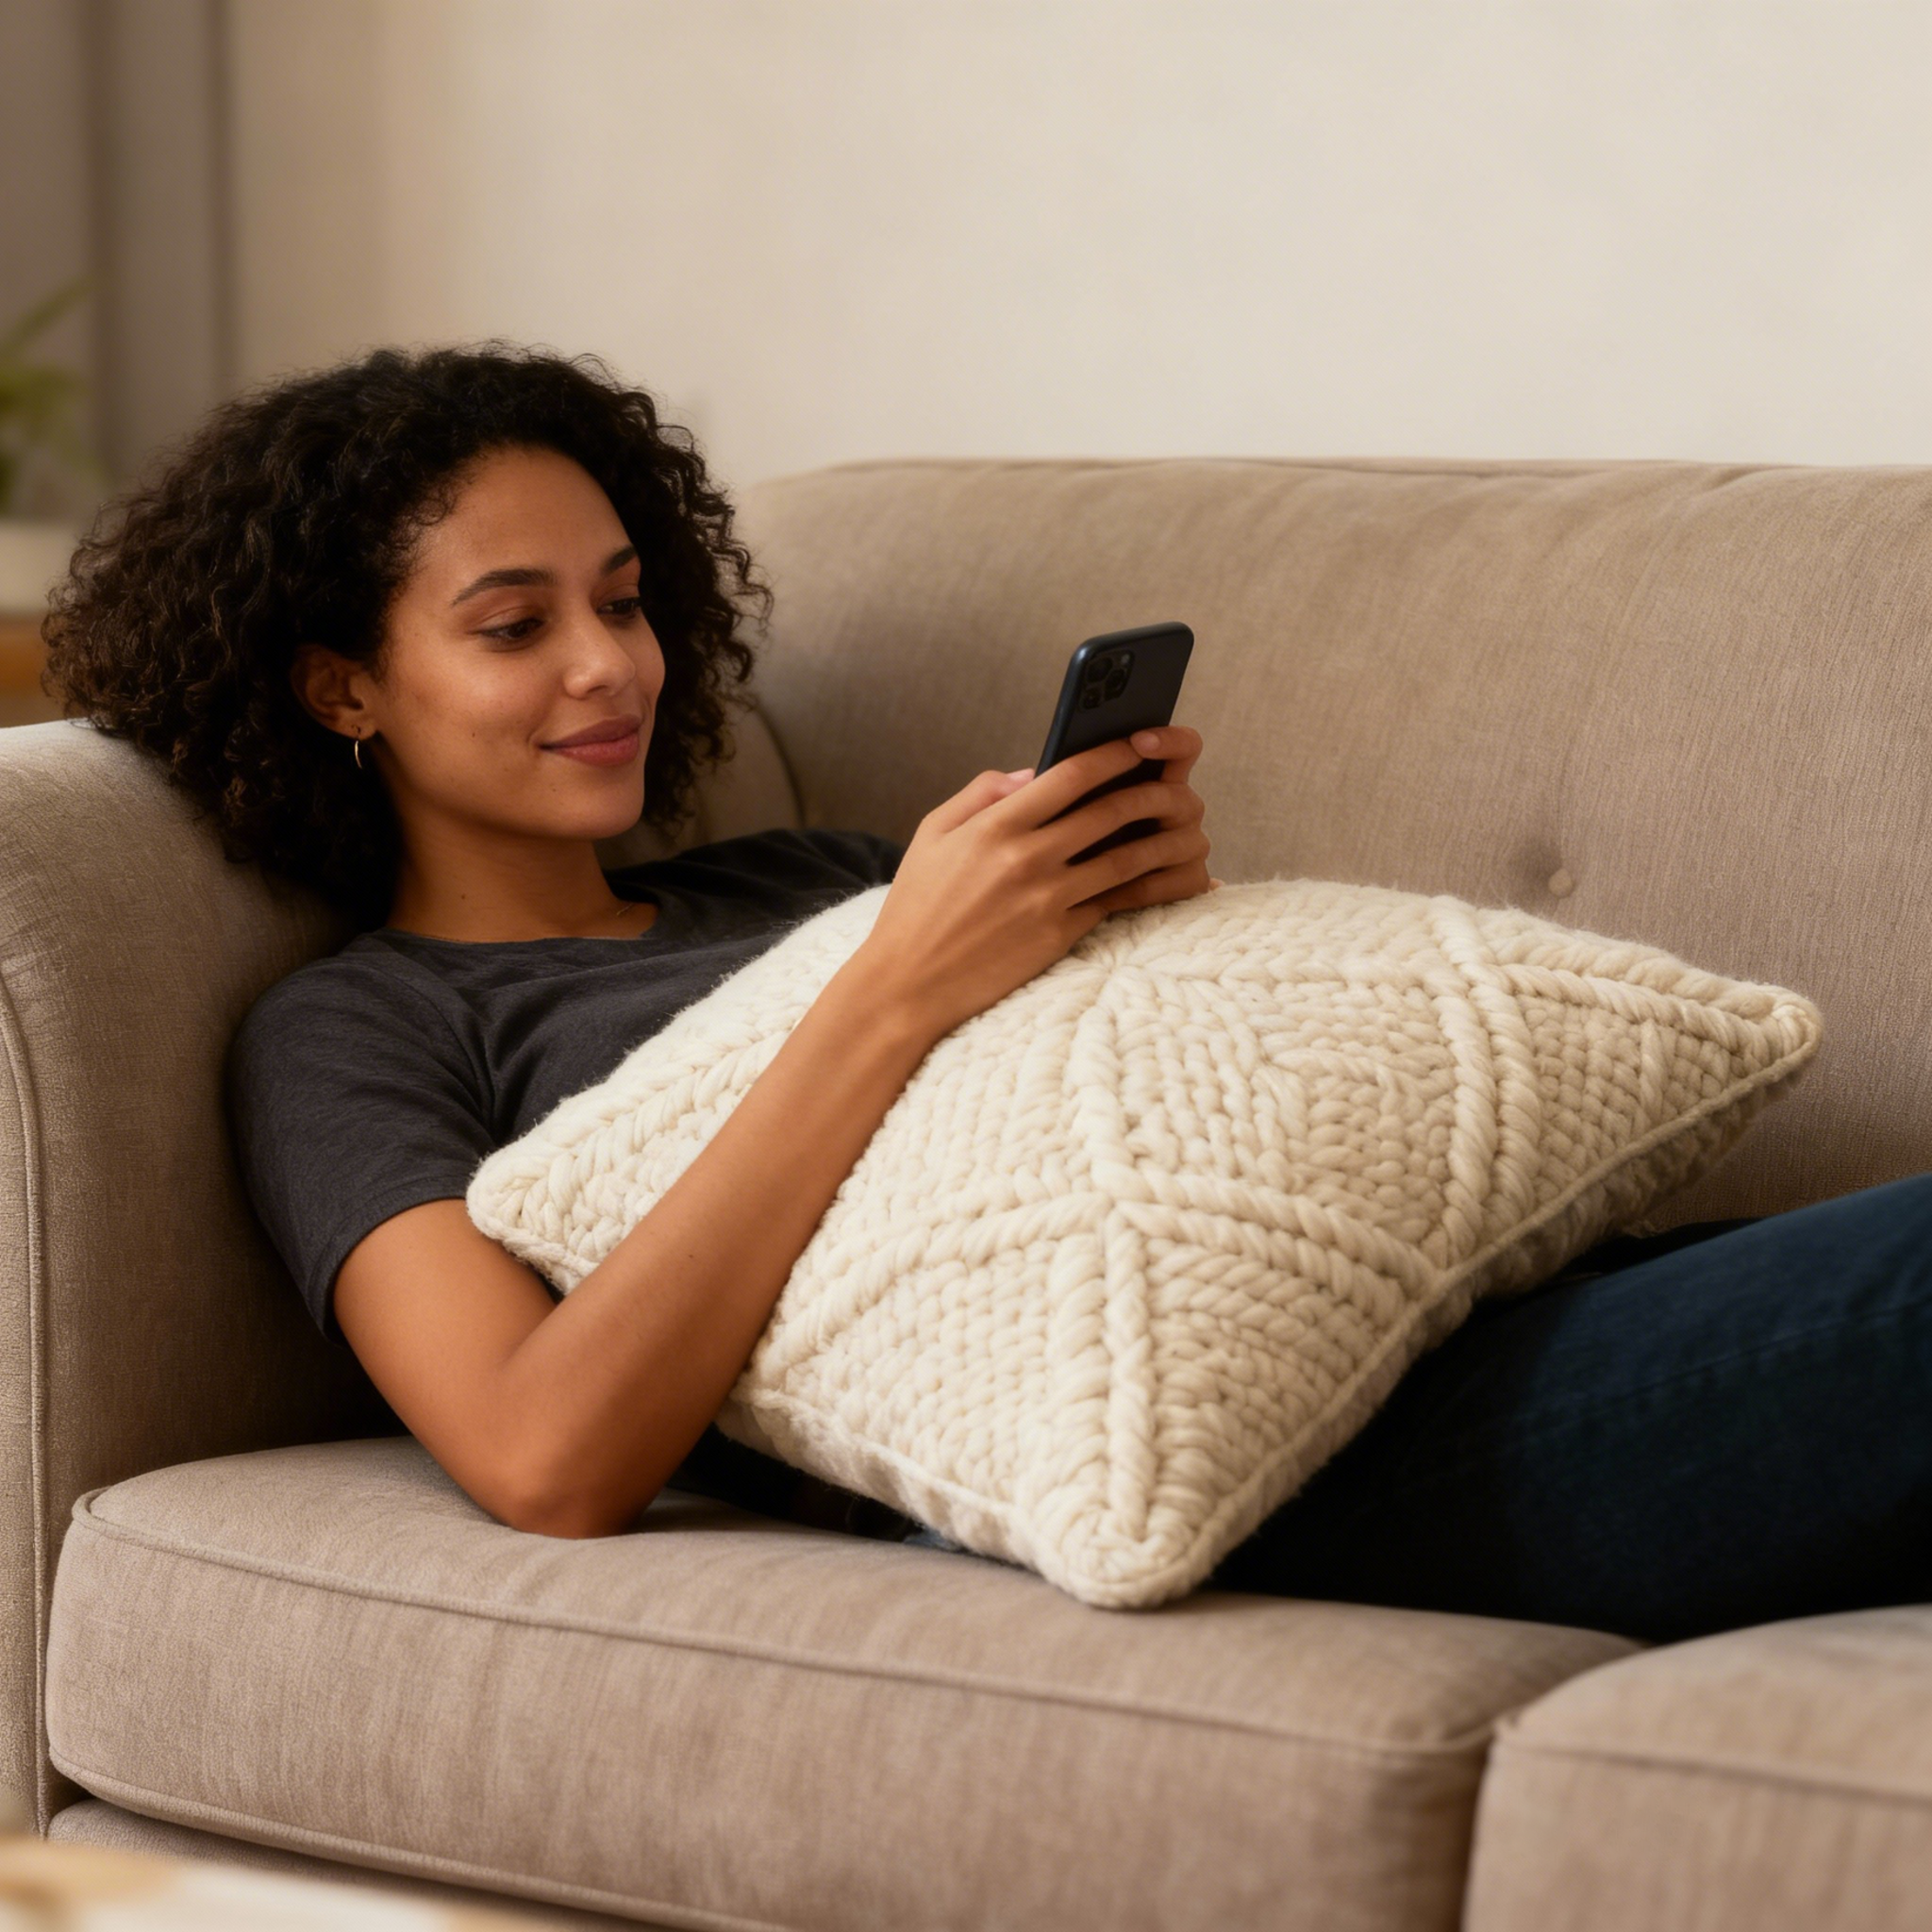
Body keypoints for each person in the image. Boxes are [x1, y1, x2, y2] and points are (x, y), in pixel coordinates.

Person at [42, 341, 1932, 1646]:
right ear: (339, 688)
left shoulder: (810, 878)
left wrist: (1142, 922)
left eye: (623, 598)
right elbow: (541, 1451)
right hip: (1273, 1448)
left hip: (1430, 1283)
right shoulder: (363, 1031)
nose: (607, 664)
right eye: (513, 623)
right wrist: (888, 991)